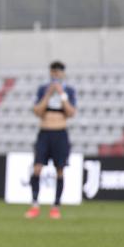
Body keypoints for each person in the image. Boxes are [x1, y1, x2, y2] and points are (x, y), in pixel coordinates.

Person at [26, 61, 77, 219]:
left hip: (60, 133)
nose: (55, 74)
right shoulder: (43, 90)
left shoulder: (69, 90)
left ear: (63, 73)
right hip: (44, 132)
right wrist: (48, 94)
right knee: (37, 168)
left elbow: (71, 112)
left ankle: (56, 206)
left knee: (60, 169)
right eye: (53, 71)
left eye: (58, 71)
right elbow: (37, 111)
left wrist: (61, 94)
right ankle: (35, 204)